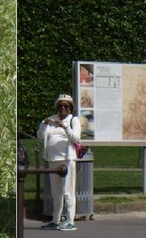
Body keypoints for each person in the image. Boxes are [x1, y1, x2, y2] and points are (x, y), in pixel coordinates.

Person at [38, 95, 82, 231]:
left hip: (67, 160)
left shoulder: (73, 120)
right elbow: (40, 136)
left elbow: (76, 138)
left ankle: (70, 220)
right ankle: (55, 220)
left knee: (68, 191)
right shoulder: (52, 119)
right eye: (60, 106)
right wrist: (44, 125)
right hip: (52, 160)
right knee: (55, 192)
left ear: (70, 108)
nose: (63, 108)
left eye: (66, 106)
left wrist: (64, 127)